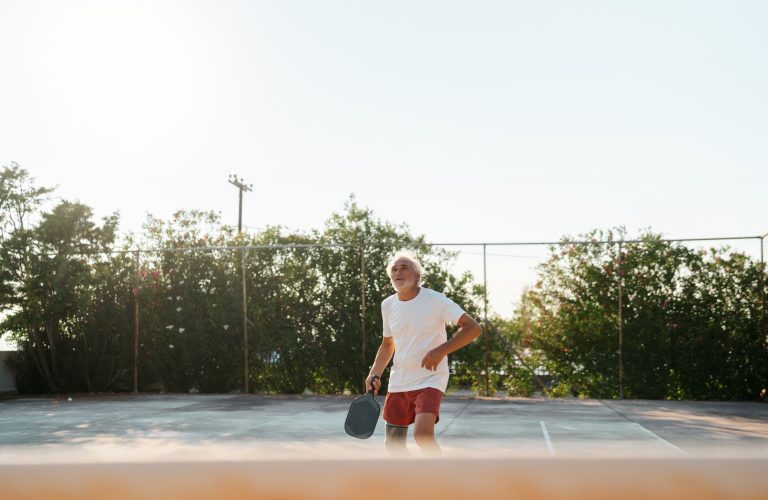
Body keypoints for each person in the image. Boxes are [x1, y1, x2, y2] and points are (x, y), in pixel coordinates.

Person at [365, 251, 482, 454]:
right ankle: (409, 483)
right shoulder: (388, 304)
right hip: (399, 381)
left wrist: (441, 350)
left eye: (404, 268)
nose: (398, 272)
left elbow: (473, 328)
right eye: (394, 269)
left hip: (430, 378)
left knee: (423, 436)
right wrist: (374, 373)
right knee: (393, 444)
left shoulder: (435, 300)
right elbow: (387, 344)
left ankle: (440, 481)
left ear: (417, 276)